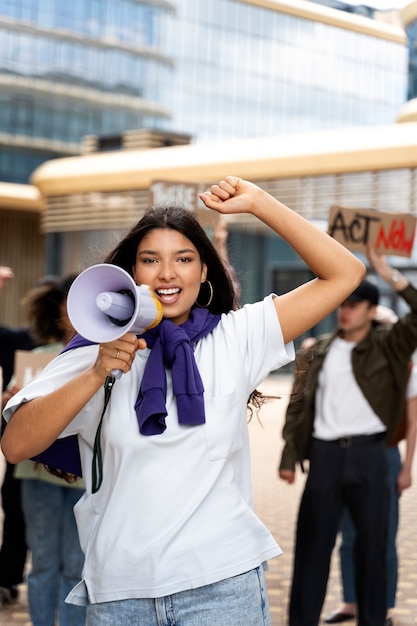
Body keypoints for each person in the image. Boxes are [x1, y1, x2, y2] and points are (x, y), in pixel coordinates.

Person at [1, 176, 364, 626]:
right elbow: (16, 445)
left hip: (222, 585)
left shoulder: (237, 337)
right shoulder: (96, 351)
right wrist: (96, 373)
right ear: (133, 275)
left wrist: (260, 204)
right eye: (150, 260)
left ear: (204, 271)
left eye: (184, 259)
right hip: (121, 592)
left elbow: (345, 273)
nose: (167, 274)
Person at [278, 249, 417, 626]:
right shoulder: (316, 350)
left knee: (372, 549)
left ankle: (373, 619)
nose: (346, 310)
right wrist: (289, 457)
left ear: (372, 311)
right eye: (344, 303)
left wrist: (391, 275)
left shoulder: (388, 346)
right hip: (324, 458)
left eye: (356, 304)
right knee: (312, 550)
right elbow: (296, 408)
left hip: (371, 455)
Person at [325, 307, 417, 626]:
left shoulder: (405, 367)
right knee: (349, 535)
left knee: (381, 536)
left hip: (385, 456)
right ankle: (352, 602)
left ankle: (382, 609)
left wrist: (407, 468)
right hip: (346, 455)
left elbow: (413, 419)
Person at [12, 275, 86, 626]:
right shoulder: (38, 358)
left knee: (76, 567)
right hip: (36, 475)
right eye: (69, 307)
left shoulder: (110, 356)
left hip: (84, 480)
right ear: (59, 314)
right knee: (42, 562)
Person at [0, 266, 34, 608]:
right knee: (16, 513)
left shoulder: (90, 345)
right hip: (19, 447)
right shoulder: (18, 340)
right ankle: (8, 577)